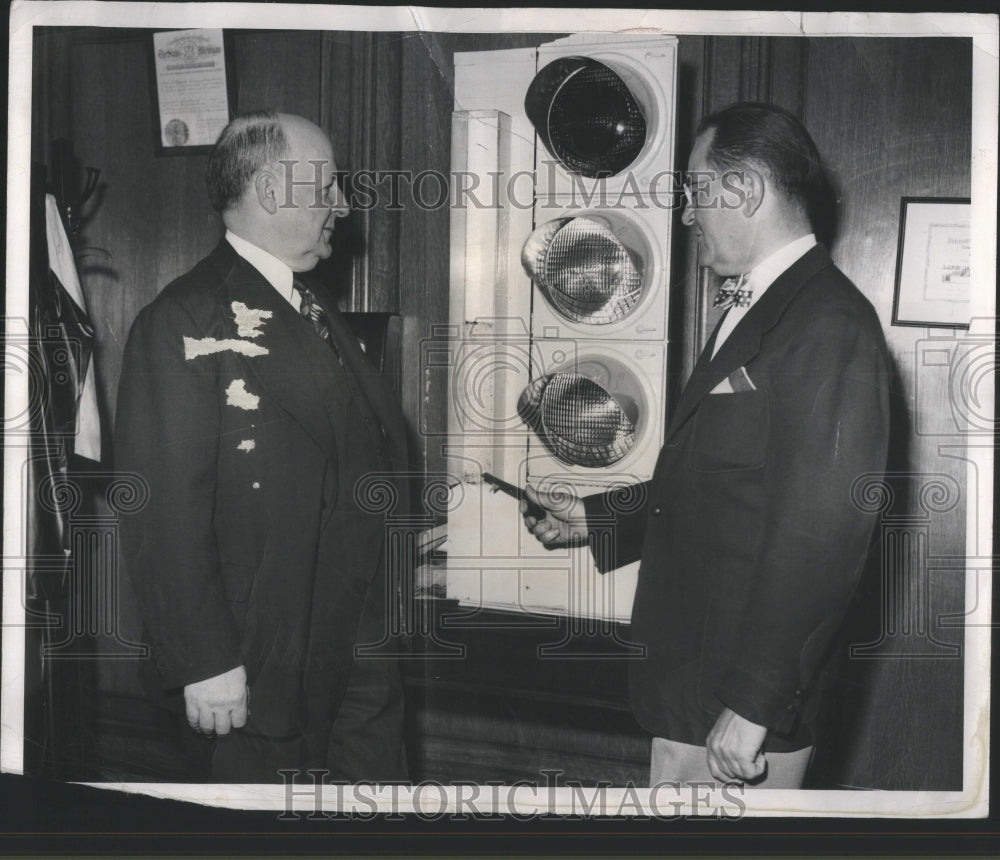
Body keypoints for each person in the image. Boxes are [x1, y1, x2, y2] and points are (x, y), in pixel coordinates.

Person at [522, 103, 890, 789]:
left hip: (734, 710)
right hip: (695, 690)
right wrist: (596, 520)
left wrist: (754, 705)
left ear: (744, 188)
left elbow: (821, 536)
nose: (687, 213)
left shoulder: (829, 322)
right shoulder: (760, 306)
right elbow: (724, 485)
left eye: (695, 190)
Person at [115, 111, 409, 783]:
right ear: (274, 193)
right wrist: (204, 661)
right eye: (329, 185)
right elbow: (163, 512)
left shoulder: (308, 305)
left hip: (352, 651)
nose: (342, 204)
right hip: (257, 670)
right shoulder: (186, 319)